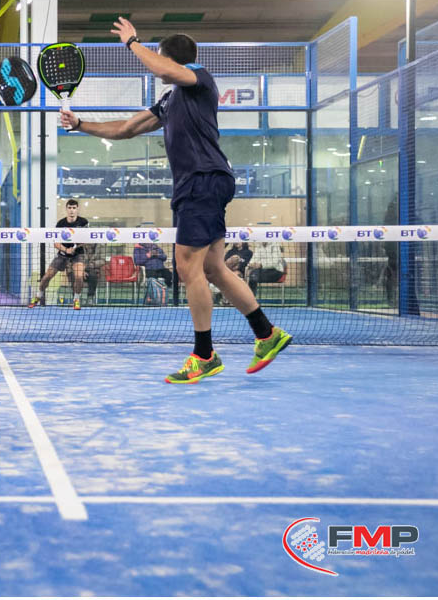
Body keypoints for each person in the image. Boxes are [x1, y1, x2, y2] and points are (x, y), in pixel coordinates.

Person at [60, 20, 291, 383]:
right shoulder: (171, 100)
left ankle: (204, 355)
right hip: (202, 184)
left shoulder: (200, 79)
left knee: (187, 267)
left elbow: (165, 69)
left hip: (202, 180)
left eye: (161, 58)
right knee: (213, 268)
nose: (159, 67)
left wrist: (132, 43)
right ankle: (266, 333)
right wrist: (80, 124)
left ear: (171, 58)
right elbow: (127, 128)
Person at [28, 199, 88, 310]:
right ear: (66, 209)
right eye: (69, 208)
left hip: (78, 254)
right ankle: (38, 296)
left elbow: (85, 240)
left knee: (79, 276)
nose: (71, 210)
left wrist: (74, 248)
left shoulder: (83, 222)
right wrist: (66, 250)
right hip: (62, 254)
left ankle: (76, 300)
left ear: (77, 209)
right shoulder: (61, 224)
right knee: (47, 276)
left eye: (74, 208)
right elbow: (56, 243)